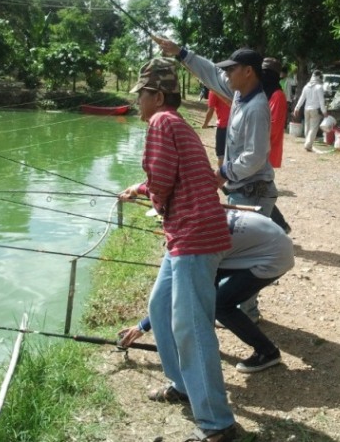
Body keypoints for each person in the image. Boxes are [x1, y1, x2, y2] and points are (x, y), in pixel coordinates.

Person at [118, 58, 237, 442]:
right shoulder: (179, 126)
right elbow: (172, 174)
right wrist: (141, 189)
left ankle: (218, 426)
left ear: (156, 95)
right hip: (190, 236)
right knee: (159, 306)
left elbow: (162, 182)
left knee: (193, 329)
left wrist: (152, 194)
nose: (138, 103)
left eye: (141, 96)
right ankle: (183, 385)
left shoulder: (160, 122)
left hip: (193, 238)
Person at [153, 37, 276, 324]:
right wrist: (181, 53)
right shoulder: (238, 94)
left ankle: (247, 315)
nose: (227, 74)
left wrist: (221, 174)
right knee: (237, 253)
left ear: (248, 71)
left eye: (232, 69)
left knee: (245, 256)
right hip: (241, 189)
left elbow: (255, 157)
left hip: (253, 191)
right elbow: (210, 73)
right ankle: (239, 309)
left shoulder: (257, 107)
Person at [119, 208, 294, 373]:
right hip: (269, 242)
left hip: (273, 257)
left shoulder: (200, 239)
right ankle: (206, 335)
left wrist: (143, 326)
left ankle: (268, 353)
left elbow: (185, 289)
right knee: (211, 288)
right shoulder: (202, 213)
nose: (164, 224)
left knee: (221, 305)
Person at [262, 57, 291, 234]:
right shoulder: (265, 93)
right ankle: (279, 226)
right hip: (259, 150)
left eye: (266, 73)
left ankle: (280, 225)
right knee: (258, 191)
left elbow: (273, 126)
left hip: (266, 150)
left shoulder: (278, 96)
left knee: (261, 191)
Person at [294, 70, 327, 151]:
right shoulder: (319, 87)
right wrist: (324, 112)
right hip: (315, 109)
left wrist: (297, 108)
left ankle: (307, 142)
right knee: (313, 128)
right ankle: (308, 145)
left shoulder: (306, 86)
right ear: (319, 77)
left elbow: (302, 98)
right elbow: (321, 101)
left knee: (307, 127)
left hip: (306, 109)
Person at [203, 89, 231, 167]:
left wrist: (205, 124)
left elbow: (210, 110)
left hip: (223, 128)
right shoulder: (231, 87)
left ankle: (222, 177)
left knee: (221, 156)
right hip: (236, 126)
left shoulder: (214, 90)